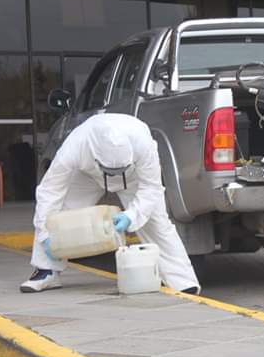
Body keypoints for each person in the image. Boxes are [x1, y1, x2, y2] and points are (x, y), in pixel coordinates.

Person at [20, 113, 200, 294]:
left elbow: (151, 188)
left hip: (132, 177)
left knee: (157, 222)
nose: (114, 176)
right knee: (62, 211)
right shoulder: (76, 144)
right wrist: (45, 236)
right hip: (89, 174)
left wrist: (131, 216)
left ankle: (182, 281)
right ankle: (46, 270)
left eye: (118, 170)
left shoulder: (143, 144)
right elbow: (50, 190)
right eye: (111, 170)